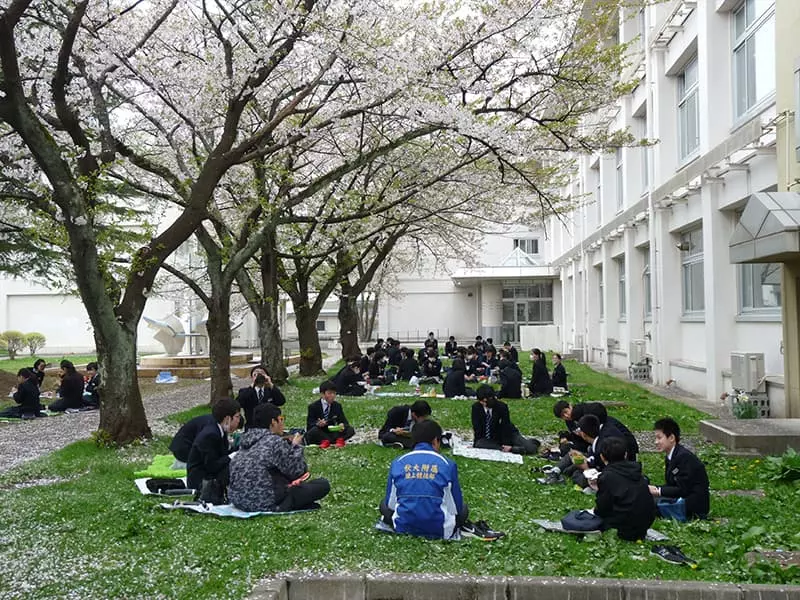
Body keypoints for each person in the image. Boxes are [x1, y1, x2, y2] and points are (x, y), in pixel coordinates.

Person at [379, 419, 504, 540]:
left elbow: (391, 504)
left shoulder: (398, 462)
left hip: (403, 526)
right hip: (440, 528)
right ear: (435, 441)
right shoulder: (447, 464)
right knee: (464, 508)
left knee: (383, 505)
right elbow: (456, 507)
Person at [228, 403, 330, 512]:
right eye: (281, 419)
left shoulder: (245, 441)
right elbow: (298, 471)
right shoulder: (274, 441)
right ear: (273, 422)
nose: (282, 422)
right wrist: (295, 446)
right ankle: (287, 504)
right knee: (322, 484)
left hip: (238, 500)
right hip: (263, 501)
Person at [592, 437, 655, 541]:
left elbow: (603, 507)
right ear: (625, 454)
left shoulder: (607, 476)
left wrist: (595, 511)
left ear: (602, 457)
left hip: (624, 527)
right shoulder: (636, 470)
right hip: (646, 522)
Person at [649, 418, 710, 521]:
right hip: (681, 499)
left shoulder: (684, 457)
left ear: (671, 437)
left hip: (691, 507)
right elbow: (672, 485)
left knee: (647, 504)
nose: (656, 442)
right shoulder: (672, 456)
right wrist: (655, 488)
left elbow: (683, 489)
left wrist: (658, 491)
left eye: (659, 438)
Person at [186, 397, 241, 493]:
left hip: (209, 474)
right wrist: (233, 455)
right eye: (237, 417)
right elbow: (212, 465)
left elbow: (222, 455)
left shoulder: (219, 430)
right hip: (201, 480)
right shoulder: (211, 434)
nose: (239, 421)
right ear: (227, 418)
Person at [471, 385, 539, 455]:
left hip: (509, 434)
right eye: (481, 401)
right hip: (492, 438)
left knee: (530, 449)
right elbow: (477, 427)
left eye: (485, 401)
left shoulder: (501, 407)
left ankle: (527, 444)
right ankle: (513, 449)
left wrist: (506, 443)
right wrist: (476, 443)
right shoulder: (476, 407)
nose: (483, 404)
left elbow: (506, 425)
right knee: (479, 444)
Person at [305, 380, 355, 447]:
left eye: (334, 393)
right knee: (313, 432)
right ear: (322, 394)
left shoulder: (337, 406)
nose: (333, 396)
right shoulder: (313, 406)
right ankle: (329, 441)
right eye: (329, 393)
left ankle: (333, 441)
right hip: (320, 431)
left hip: (332, 431)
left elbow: (344, 422)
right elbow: (309, 425)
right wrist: (318, 424)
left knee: (350, 430)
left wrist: (342, 425)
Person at [236, 365, 286, 430]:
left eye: (262, 373)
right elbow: (238, 403)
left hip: (269, 427)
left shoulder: (270, 391)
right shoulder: (246, 391)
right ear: (251, 377)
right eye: (255, 374)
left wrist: (270, 384)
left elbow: (281, 401)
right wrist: (252, 386)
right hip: (251, 426)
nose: (259, 376)